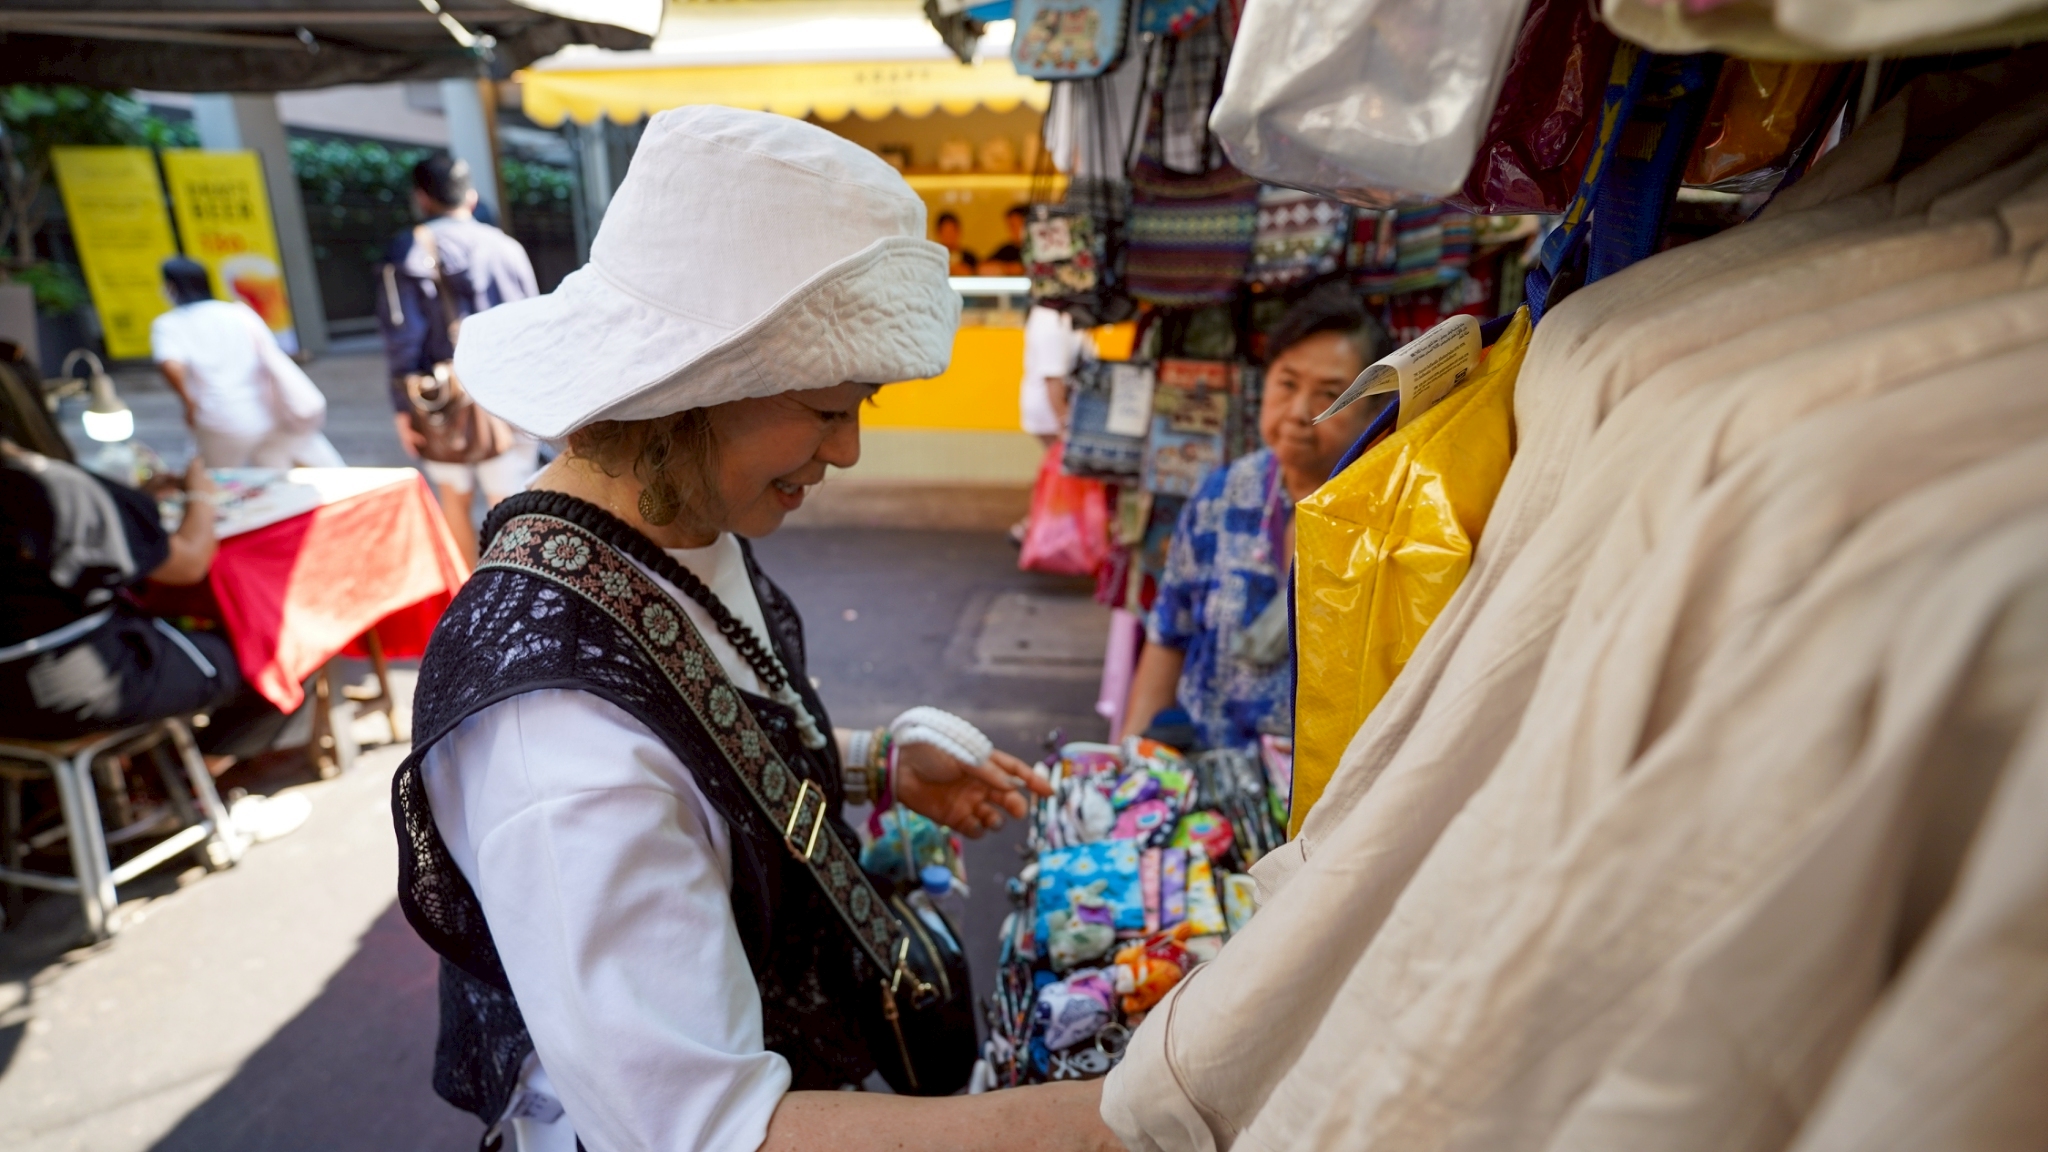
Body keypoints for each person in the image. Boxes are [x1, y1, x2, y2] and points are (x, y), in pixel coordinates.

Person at [392, 107, 1120, 1152]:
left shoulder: (664, 523)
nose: (849, 449)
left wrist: (865, 763)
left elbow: (693, 739)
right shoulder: (561, 749)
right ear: (694, 393)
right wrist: (1112, 1121)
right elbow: (706, 1133)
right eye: (827, 409)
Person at [1119, 284, 1388, 750]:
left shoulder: (1387, 515)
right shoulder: (1222, 496)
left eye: (1330, 394)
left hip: (1322, 785)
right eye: (1287, 384)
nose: (1299, 412)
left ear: (1373, 411)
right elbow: (1169, 635)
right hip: (1209, 774)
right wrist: (1131, 764)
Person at [0, 439, 291, 760]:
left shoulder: (48, 491)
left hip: (24, 688)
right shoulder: (42, 487)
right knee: (266, 655)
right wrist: (201, 496)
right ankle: (199, 772)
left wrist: (128, 505)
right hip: (67, 691)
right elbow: (190, 564)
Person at [379, 155, 542, 566]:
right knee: (511, 503)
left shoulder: (408, 250)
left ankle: (470, 587)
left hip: (443, 402)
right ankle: (513, 586)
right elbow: (535, 326)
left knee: (455, 499)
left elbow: (403, 336)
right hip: (510, 396)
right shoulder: (508, 248)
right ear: (471, 196)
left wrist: (403, 407)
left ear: (421, 197)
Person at [151, 257, 344, 470]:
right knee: (278, 469)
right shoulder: (238, 313)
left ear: (171, 287)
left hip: (222, 419)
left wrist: (189, 404)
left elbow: (171, 365)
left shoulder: (169, 324)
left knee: (217, 480)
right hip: (270, 411)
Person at [983, 205, 1029, 274]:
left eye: (1015, 225)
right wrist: (1004, 268)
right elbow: (983, 267)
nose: (1012, 230)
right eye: (1010, 226)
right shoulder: (1007, 250)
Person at [935, 211, 979, 275]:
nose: (949, 236)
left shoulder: (970, 258)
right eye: (946, 232)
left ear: (958, 231)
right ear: (939, 233)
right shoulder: (933, 257)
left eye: (952, 231)